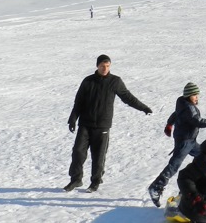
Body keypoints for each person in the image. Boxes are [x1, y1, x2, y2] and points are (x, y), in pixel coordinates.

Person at [65, 54, 152, 193]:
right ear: (97, 66)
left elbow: (128, 98)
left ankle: (95, 182)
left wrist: (143, 108)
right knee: (77, 152)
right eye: (102, 66)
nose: (105, 68)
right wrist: (72, 119)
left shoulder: (115, 81)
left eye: (107, 66)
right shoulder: (88, 81)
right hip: (85, 124)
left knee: (98, 155)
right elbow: (79, 102)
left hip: (102, 125)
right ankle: (76, 179)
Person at [148, 83, 206, 206]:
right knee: (174, 165)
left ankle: (200, 185)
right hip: (185, 141)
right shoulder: (189, 108)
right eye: (194, 95)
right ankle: (156, 187)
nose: (196, 97)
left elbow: (176, 113)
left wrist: (169, 124)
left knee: (203, 158)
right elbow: (197, 121)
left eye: (197, 95)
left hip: (190, 140)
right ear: (188, 95)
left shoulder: (182, 103)